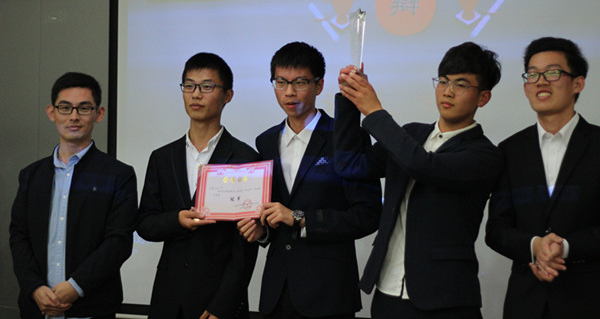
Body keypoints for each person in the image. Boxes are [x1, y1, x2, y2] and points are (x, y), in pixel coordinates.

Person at [334, 42, 503, 319]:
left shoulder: (484, 154)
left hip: (445, 298)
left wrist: (375, 111)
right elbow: (351, 165)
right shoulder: (411, 134)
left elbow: (422, 165)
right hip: (388, 292)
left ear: (483, 97)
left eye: (461, 85)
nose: (448, 91)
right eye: (443, 81)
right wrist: (350, 101)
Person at [237, 41, 381, 319]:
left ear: (319, 85)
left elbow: (367, 215)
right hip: (277, 293)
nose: (289, 92)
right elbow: (274, 215)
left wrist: (300, 218)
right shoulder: (265, 141)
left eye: (300, 82)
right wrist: (262, 231)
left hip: (328, 293)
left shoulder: (346, 137)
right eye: (281, 82)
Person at [137, 52, 259, 319]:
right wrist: (177, 220)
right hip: (168, 300)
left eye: (207, 86)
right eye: (189, 86)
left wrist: (223, 305)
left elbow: (245, 247)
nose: (196, 94)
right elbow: (145, 223)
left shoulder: (246, 159)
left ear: (228, 95)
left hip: (219, 303)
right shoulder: (162, 157)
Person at [486, 37, 600, 318]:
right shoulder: (509, 150)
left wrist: (566, 247)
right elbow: (496, 230)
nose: (540, 82)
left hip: (589, 298)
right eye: (533, 75)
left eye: (552, 73)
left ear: (578, 83)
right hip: (526, 302)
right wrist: (534, 247)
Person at [9, 72, 138, 319]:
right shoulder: (31, 175)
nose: (74, 116)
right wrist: (34, 287)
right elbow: (19, 236)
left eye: (84, 108)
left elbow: (118, 241)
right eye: (65, 108)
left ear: (99, 114)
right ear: (52, 112)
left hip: (92, 309)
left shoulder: (118, 175)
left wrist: (76, 286)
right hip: (36, 308)